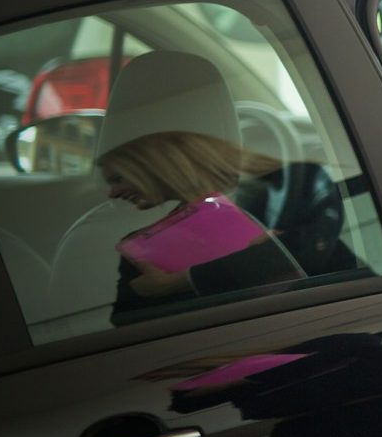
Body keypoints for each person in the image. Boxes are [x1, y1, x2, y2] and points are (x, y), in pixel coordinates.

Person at [91, 51, 354, 324]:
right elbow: (128, 330)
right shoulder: (143, 250)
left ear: (155, 160)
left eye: (118, 178)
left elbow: (313, 257)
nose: (112, 193)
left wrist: (180, 282)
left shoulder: (296, 189)